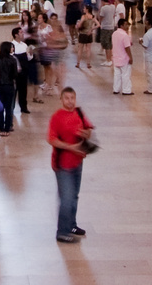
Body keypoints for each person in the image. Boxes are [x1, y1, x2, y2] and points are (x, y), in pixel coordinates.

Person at [48, 86, 93, 242]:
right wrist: (70, 147)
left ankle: (72, 225)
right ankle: (62, 231)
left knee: (74, 196)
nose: (70, 101)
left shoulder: (79, 113)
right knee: (66, 198)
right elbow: (51, 139)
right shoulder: (56, 117)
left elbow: (88, 130)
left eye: (72, 98)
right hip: (62, 165)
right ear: (61, 100)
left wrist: (85, 134)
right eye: (66, 98)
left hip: (77, 162)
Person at [0, 42, 21, 133]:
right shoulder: (13, 60)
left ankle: (1, 129)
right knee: (9, 108)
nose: (13, 49)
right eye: (12, 47)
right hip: (9, 86)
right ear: (8, 48)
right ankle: (7, 128)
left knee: (0, 108)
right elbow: (15, 74)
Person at [109, 21, 134, 96]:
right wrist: (130, 57)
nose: (127, 26)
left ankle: (116, 89)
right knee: (125, 74)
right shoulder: (125, 35)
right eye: (126, 24)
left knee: (117, 74)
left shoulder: (114, 34)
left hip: (116, 57)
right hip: (124, 58)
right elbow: (127, 47)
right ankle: (126, 90)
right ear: (121, 25)